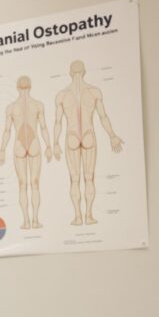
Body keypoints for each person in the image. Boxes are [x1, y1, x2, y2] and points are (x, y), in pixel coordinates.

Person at [52, 60, 124, 226]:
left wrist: (55, 142)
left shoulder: (62, 95)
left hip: (71, 136)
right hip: (88, 134)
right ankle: (89, 216)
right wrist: (112, 135)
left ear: (70, 73)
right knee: (90, 178)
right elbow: (103, 116)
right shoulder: (94, 91)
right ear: (84, 72)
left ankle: (78, 217)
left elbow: (58, 122)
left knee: (74, 179)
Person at [0, 75, 52, 230]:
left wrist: (2, 150)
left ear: (17, 88)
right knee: (34, 184)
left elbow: (7, 130)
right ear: (30, 87)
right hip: (34, 143)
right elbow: (44, 127)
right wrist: (48, 146)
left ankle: (27, 221)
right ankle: (35, 220)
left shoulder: (11, 107)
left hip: (19, 144)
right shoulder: (38, 105)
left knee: (23, 185)